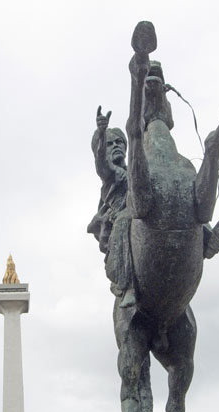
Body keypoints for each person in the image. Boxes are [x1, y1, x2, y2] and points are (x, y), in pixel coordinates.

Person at [87, 106, 137, 308]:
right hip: (123, 218)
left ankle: (206, 236)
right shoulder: (111, 173)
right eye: (109, 144)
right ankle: (128, 286)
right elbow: (100, 164)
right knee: (125, 220)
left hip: (146, 212)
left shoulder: (137, 169)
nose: (116, 146)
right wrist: (100, 133)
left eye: (119, 142)